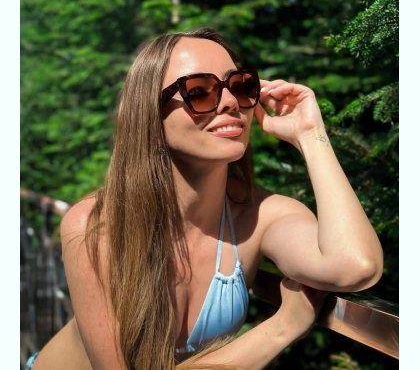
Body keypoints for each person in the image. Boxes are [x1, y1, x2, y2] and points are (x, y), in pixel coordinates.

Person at [30, 28, 383, 370]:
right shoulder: (98, 225)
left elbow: (356, 265)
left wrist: (311, 135)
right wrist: (280, 329)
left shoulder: (260, 216)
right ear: (150, 113)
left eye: (240, 86)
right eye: (199, 91)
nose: (230, 102)